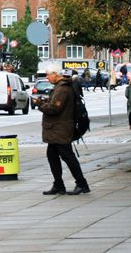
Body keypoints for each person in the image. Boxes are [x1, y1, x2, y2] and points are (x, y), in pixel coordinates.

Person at [33, 64, 90, 196]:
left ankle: (82, 184)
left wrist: (40, 104)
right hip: (56, 130)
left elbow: (54, 109)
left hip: (60, 129)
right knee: (52, 156)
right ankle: (58, 185)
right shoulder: (60, 87)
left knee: (68, 157)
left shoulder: (62, 89)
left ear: (55, 74)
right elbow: (55, 104)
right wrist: (45, 101)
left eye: (48, 75)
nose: (47, 78)